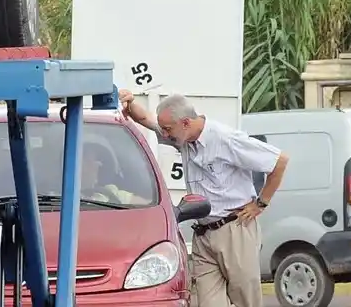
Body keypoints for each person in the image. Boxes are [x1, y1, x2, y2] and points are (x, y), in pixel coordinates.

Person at [119, 90, 289, 307]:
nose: (165, 135)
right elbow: (146, 119)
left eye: (168, 130)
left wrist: (260, 204)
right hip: (203, 233)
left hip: (234, 229)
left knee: (246, 300)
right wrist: (130, 103)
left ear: (185, 123)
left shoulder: (225, 139)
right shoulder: (182, 138)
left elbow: (279, 161)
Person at [81, 144, 148, 206]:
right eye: (87, 160)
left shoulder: (111, 193)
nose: (98, 165)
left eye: (98, 160)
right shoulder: (76, 200)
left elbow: (147, 208)